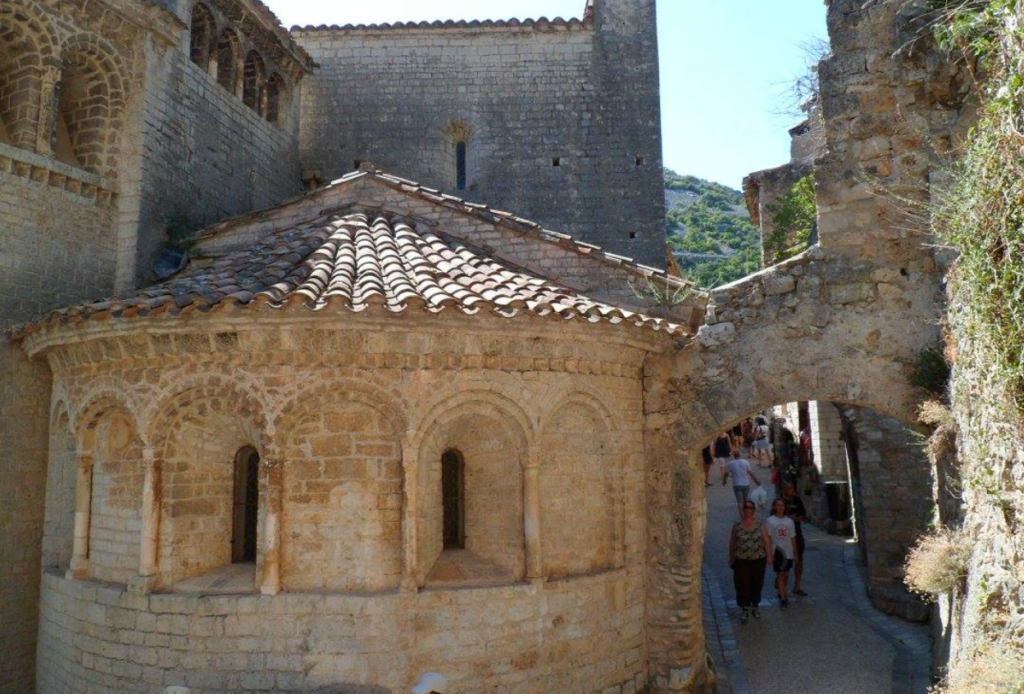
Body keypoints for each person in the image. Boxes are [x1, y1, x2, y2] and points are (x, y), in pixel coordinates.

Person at [729, 500, 772, 624]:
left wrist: (769, 556)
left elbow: (767, 541)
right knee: (742, 584)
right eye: (746, 508)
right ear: (743, 510)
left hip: (758, 560)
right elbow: (732, 542)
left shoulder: (760, 525)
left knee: (757, 583)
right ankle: (744, 607)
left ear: (754, 510)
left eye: (751, 508)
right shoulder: (737, 526)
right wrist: (731, 556)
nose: (748, 510)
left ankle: (755, 604)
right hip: (741, 561)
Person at [767, 498, 798, 609]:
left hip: (788, 551)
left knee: (786, 574)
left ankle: (781, 590)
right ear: (774, 507)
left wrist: (795, 553)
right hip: (778, 551)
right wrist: (770, 553)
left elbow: (793, 538)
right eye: (778, 505)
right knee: (781, 574)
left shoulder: (789, 522)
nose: (780, 508)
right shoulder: (770, 521)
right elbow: (769, 538)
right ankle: (783, 598)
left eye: (782, 505)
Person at [783, 483, 809, 597]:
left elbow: (804, 516)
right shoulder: (780, 502)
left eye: (792, 487)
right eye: (789, 488)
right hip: (783, 537)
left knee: (799, 561)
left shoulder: (797, 500)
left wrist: (797, 519)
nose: (791, 490)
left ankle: (797, 586)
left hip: (797, 534)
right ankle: (781, 587)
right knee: (784, 563)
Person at [721, 450, 760, 518]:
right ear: (740, 455)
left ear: (734, 456)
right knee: (745, 499)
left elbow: (726, 474)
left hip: (737, 484)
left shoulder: (731, 463)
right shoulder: (745, 462)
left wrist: (724, 481)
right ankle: (747, 513)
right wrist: (756, 481)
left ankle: (742, 516)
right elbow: (751, 473)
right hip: (746, 484)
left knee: (739, 501)